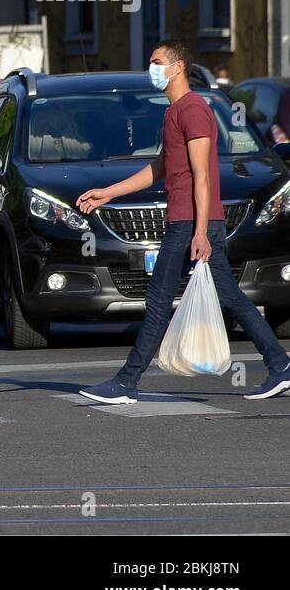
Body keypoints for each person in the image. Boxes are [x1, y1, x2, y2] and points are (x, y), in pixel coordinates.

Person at [77, 41, 290, 404]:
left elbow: (202, 175)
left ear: (177, 67)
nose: (151, 69)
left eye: (157, 62)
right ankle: (281, 366)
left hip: (191, 221)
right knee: (230, 297)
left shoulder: (193, 109)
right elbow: (160, 168)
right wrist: (109, 193)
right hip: (187, 220)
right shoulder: (174, 112)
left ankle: (126, 382)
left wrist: (201, 231)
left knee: (160, 300)